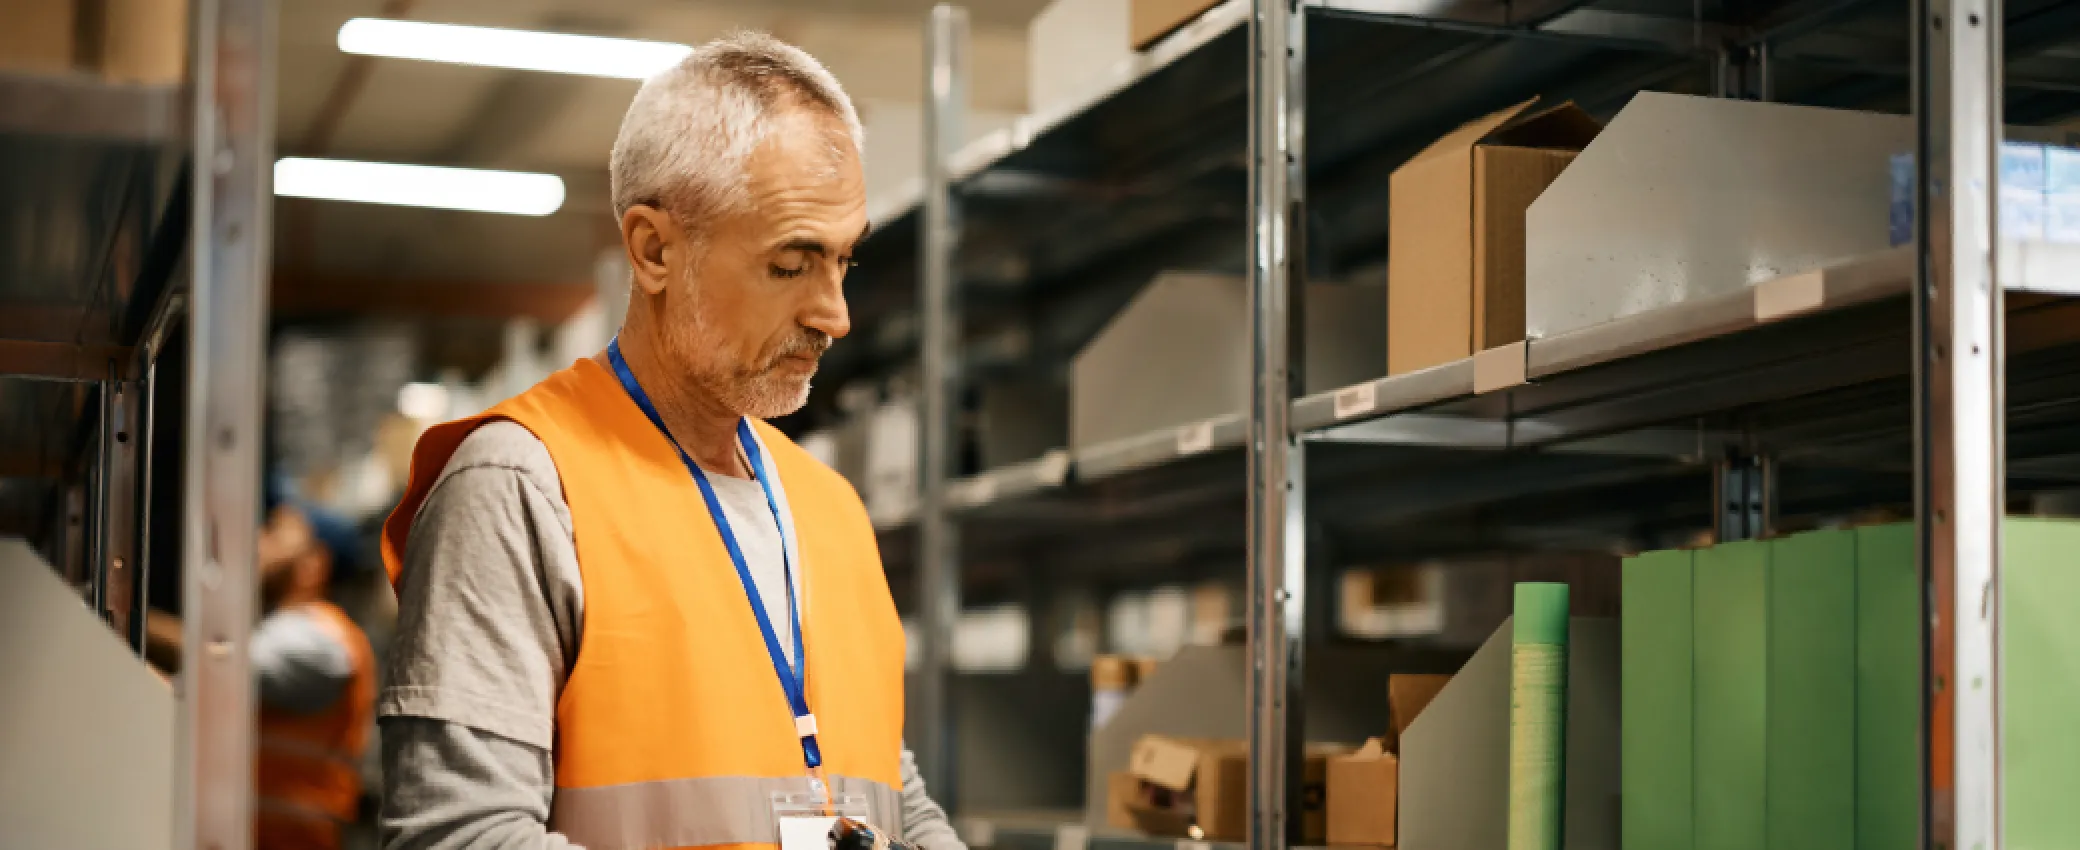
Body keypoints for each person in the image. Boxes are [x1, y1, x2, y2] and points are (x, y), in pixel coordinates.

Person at [376, 34, 965, 850]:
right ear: (655, 250)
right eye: (794, 265)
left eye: (843, 261)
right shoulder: (522, 487)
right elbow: (459, 836)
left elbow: (886, 793)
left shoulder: (829, 507)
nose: (836, 315)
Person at [147, 494, 378, 850]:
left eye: (277, 531)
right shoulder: (279, 631)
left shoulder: (321, 640)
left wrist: (130, 619)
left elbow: (222, 662)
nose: (259, 538)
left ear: (314, 564)